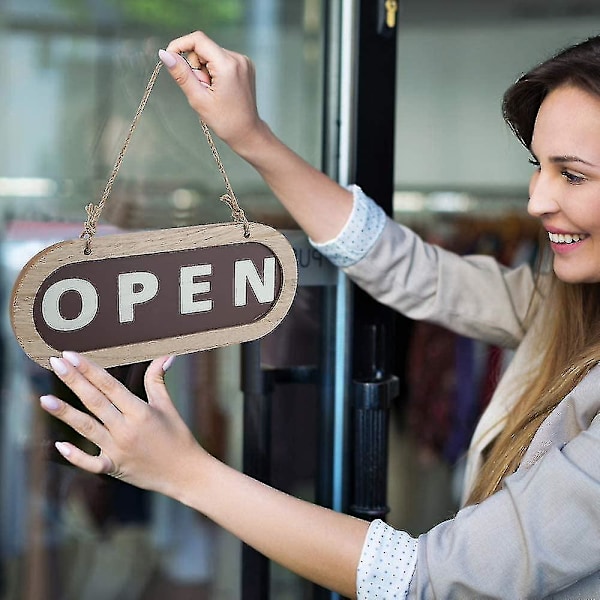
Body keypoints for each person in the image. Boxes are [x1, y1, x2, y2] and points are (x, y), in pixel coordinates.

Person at [38, 31, 600, 598]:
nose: (535, 201)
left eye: (572, 175)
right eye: (538, 166)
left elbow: (433, 579)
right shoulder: (570, 306)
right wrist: (250, 136)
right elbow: (405, 266)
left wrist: (187, 472)